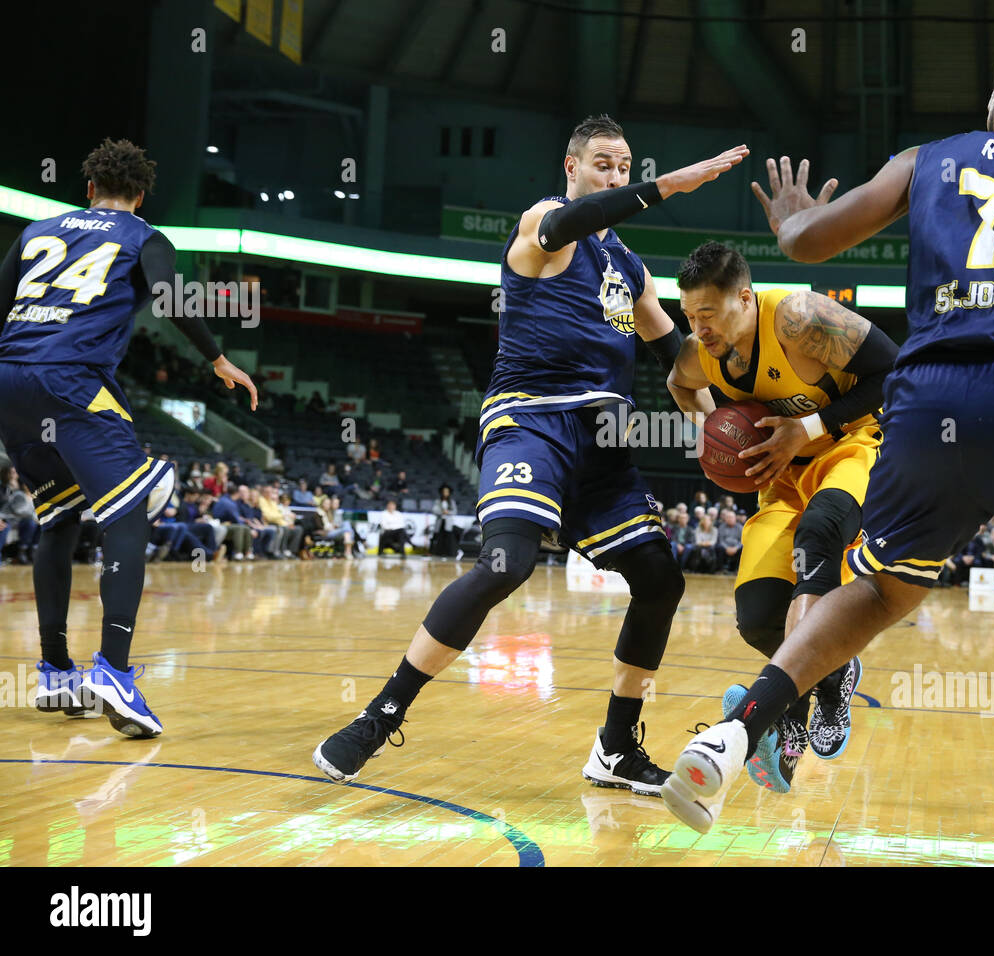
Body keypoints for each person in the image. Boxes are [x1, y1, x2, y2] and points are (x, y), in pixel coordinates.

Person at [663, 43, 994, 868]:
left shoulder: (924, 160)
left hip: (929, 398)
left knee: (879, 590)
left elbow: (810, 244)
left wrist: (790, 220)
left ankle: (733, 737)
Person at [312, 114, 747, 794]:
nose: (614, 175)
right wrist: (669, 185)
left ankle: (615, 747)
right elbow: (567, 222)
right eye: (603, 163)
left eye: (624, 166)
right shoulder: (543, 224)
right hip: (531, 423)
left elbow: (677, 355)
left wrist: (738, 382)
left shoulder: (630, 269)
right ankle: (380, 713)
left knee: (661, 580)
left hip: (603, 443)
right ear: (571, 167)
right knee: (504, 563)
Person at [0, 138, 256, 737]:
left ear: (87, 189)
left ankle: (56, 673)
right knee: (129, 511)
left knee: (58, 518)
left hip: (9, 382)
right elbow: (168, 297)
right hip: (70, 381)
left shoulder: (38, 228)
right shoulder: (143, 235)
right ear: (140, 197)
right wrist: (216, 358)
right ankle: (112, 670)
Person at [667, 242, 898, 788]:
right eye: (689, 315)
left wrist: (809, 428)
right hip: (783, 476)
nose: (698, 327)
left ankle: (786, 722)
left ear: (744, 299)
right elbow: (679, 383)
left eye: (708, 313)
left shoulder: (798, 318)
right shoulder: (700, 353)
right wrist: (712, 436)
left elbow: (893, 369)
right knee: (756, 614)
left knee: (819, 534)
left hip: (854, 448)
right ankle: (835, 674)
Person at [431, 484, 458, 557]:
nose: (445, 493)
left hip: (448, 523)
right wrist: (441, 512)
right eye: (444, 492)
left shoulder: (451, 502)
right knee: (439, 537)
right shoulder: (438, 501)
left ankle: (447, 553)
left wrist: (448, 512)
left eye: (447, 492)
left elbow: (455, 511)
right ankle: (437, 552)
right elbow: (434, 510)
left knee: (448, 538)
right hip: (440, 522)